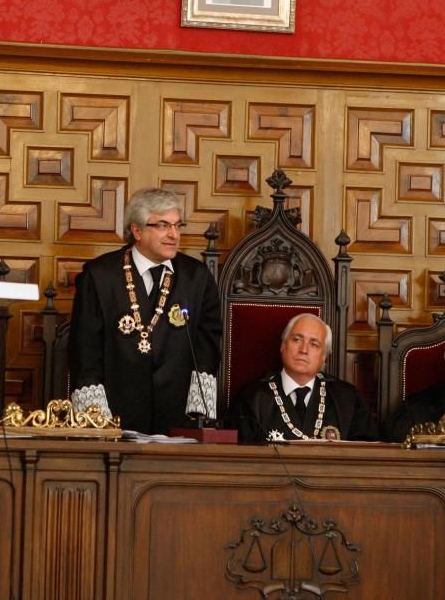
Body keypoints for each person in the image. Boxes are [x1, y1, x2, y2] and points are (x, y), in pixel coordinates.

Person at [68, 188, 222, 434]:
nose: (173, 234)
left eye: (177, 225)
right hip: (115, 412)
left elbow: (208, 346)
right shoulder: (99, 276)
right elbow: (85, 351)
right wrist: (95, 418)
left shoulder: (197, 277)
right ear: (137, 231)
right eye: (162, 225)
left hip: (176, 413)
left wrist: (198, 411)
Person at [229, 313, 376, 443]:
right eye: (297, 340)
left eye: (314, 344)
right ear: (283, 346)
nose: (303, 350)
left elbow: (366, 458)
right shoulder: (252, 399)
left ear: (324, 357)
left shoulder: (348, 399)